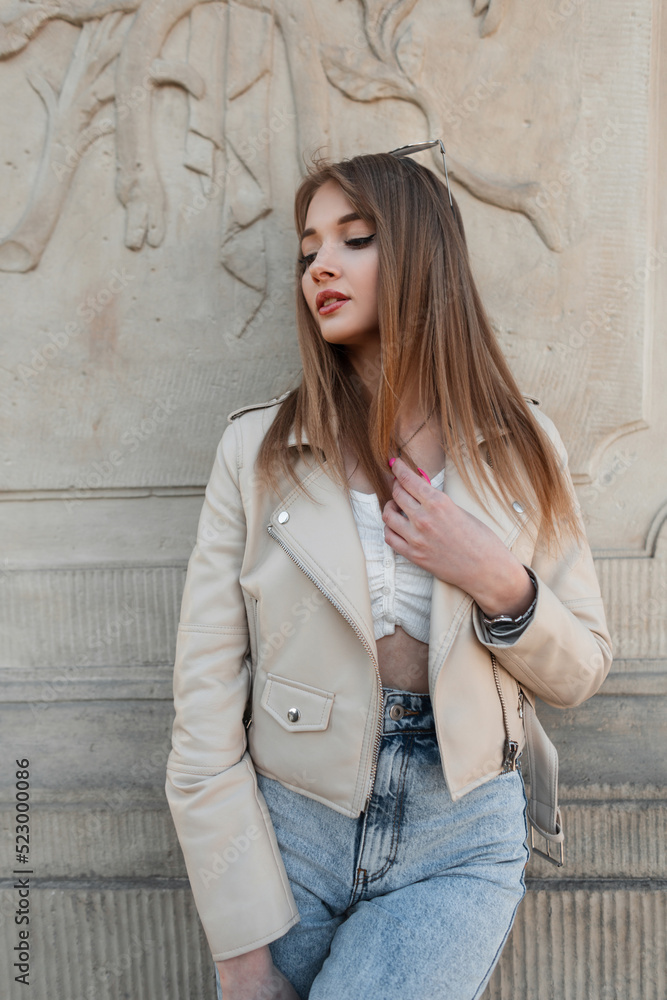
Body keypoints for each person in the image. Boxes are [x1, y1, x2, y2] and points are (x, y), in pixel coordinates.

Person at [165, 145, 613, 1000]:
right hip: (290, 830)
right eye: (307, 252)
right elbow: (205, 703)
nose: (319, 266)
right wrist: (238, 951)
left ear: (417, 254)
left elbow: (582, 666)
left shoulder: (523, 449)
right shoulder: (253, 454)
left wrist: (496, 579)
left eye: (354, 238)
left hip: (460, 834)